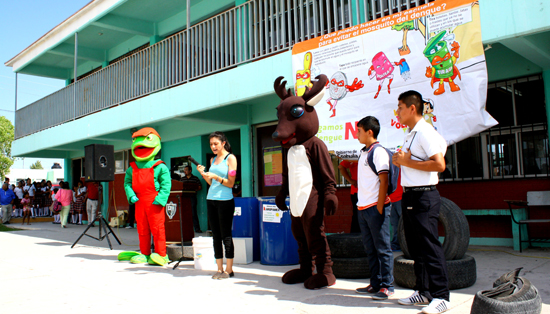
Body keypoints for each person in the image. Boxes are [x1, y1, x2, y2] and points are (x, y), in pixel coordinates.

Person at [392, 90, 449, 313]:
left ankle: (441, 296)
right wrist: (401, 161)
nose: (397, 112)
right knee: (416, 248)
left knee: (430, 246)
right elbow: (412, 161)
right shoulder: (411, 133)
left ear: (412, 108)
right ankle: (423, 292)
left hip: (424, 195)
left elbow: (439, 164)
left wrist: (407, 161)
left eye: (400, 107)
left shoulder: (425, 131)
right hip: (410, 194)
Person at [353, 116, 395, 300]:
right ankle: (375, 283)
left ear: (370, 132)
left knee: (383, 248)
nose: (356, 134)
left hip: (375, 209)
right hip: (363, 208)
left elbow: (384, 180)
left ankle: (387, 286)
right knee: (370, 248)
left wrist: (379, 207)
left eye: (359, 131)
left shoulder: (378, 152)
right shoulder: (364, 152)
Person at [197, 131, 237, 280]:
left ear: (223, 143)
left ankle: (229, 270)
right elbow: (211, 183)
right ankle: (219, 269)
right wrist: (204, 174)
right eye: (211, 144)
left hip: (225, 201)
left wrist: (216, 177)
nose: (213, 146)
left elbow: (230, 183)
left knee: (226, 235)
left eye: (216, 143)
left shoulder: (231, 158)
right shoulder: (213, 160)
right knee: (216, 236)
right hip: (211, 199)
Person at [338, 159, 360, 233]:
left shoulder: (355, 157)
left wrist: (350, 180)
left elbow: (341, 166)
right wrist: (350, 180)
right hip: (358, 190)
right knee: (359, 215)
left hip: (357, 190)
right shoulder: (355, 157)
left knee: (357, 215)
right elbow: (341, 166)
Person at [181, 165, 203, 233]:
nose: (185, 171)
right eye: (184, 170)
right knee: (184, 214)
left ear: (190, 171)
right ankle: (185, 229)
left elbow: (200, 187)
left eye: (186, 170)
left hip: (192, 197)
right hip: (184, 198)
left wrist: (194, 188)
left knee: (193, 213)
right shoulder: (182, 179)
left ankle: (197, 229)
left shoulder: (195, 178)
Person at [389, 174, 403, 251]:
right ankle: (396, 245)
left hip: (401, 197)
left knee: (404, 224)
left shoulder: (400, 164)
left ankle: (406, 245)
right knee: (395, 224)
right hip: (391, 199)